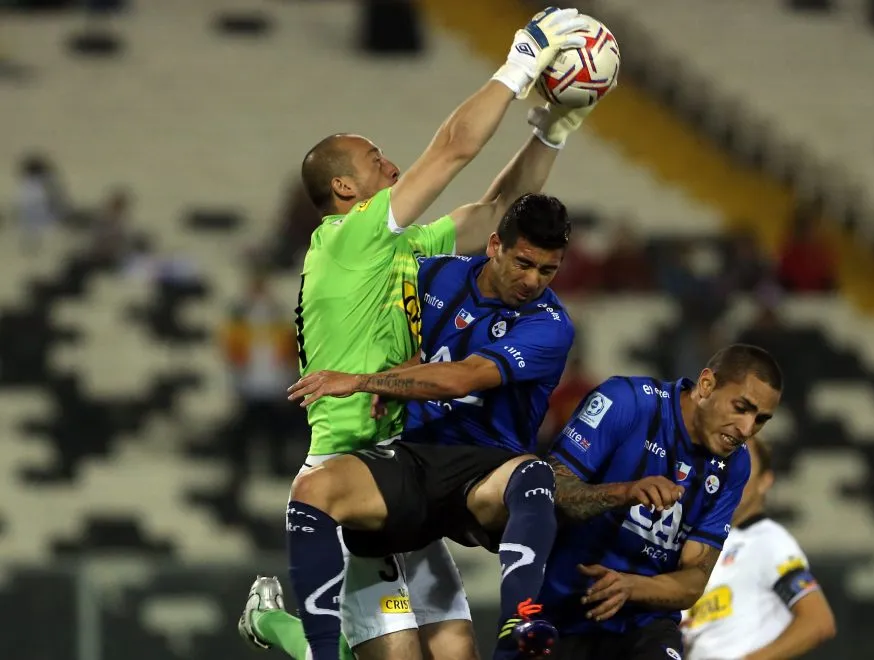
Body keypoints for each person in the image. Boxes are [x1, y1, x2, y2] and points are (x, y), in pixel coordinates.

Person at [236, 7, 594, 660]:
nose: (394, 165)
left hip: (408, 468)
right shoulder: (352, 236)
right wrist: (522, 62)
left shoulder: (392, 249)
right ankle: (278, 626)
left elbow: (492, 214)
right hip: (351, 470)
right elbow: (455, 147)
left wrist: (553, 129)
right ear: (347, 186)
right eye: (377, 160)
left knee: (455, 651)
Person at [285, 193, 575, 660]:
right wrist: (393, 374)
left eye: (547, 271)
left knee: (534, 473)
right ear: (495, 245)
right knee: (313, 491)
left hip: (482, 475)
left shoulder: (550, 324)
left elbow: (462, 377)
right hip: (413, 463)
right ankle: (299, 637)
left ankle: (519, 620)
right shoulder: (435, 273)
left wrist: (365, 380)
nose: (532, 281)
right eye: (524, 263)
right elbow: (397, 333)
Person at [537, 345, 784, 659]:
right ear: (706, 385)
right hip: (559, 611)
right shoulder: (627, 402)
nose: (747, 430)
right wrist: (624, 493)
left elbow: (695, 579)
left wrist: (632, 587)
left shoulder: (736, 465)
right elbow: (549, 490)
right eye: (741, 407)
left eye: (760, 419)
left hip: (643, 624)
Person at [682, 437, 836, 660]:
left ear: (765, 481)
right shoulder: (704, 543)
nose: (733, 476)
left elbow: (818, 622)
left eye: (744, 467)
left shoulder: (769, 540)